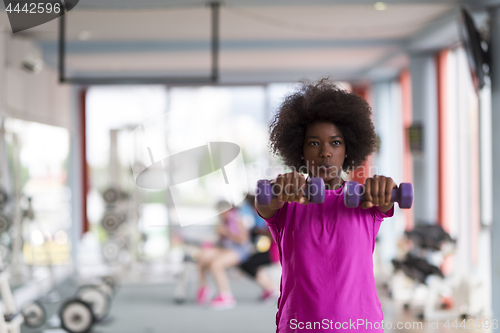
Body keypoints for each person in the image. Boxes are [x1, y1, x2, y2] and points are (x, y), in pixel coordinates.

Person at [255, 78, 396, 332]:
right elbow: (264, 201)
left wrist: (384, 188)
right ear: (300, 151)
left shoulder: (366, 200)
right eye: (313, 143)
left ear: (348, 148)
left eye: (335, 142)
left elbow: (386, 202)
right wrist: (279, 189)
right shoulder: (287, 202)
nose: (325, 152)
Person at [196, 200, 252, 310]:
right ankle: (204, 287)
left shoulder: (238, 219)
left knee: (216, 264)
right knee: (203, 255)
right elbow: (221, 242)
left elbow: (242, 240)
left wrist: (226, 232)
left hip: (240, 250)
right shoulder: (222, 220)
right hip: (225, 248)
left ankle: (226, 296)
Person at [238, 195, 280, 303]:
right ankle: (269, 288)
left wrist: (258, 231)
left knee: (247, 263)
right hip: (272, 250)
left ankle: (271, 289)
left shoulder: (270, 215)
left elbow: (271, 234)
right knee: (248, 263)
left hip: (275, 252)